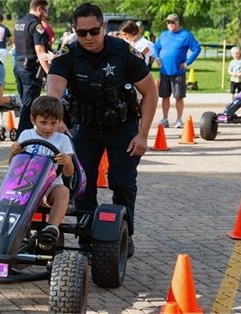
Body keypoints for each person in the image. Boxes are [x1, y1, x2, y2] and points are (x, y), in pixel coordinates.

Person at [46, 2, 158, 258]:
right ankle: (87, 239)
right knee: (82, 184)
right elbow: (53, 88)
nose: (88, 38)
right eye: (81, 32)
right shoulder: (68, 53)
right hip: (84, 127)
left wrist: (143, 135)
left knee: (123, 183)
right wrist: (58, 116)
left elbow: (150, 93)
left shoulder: (124, 52)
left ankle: (122, 234)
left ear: (104, 27)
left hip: (122, 127)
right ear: (74, 30)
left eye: (93, 31)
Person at [9, 96, 74, 250]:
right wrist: (13, 152)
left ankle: (50, 229)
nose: (48, 128)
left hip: (51, 185)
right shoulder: (26, 135)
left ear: (59, 121)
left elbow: (69, 173)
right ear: (33, 120)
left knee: (64, 192)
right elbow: (13, 167)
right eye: (43, 123)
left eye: (53, 123)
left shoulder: (62, 140)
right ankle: (15, 232)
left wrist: (67, 161)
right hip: (26, 185)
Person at [153, 13, 201, 128]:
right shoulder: (163, 35)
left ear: (178, 22)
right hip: (164, 71)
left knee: (179, 97)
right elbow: (156, 47)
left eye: (172, 22)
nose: (170, 25)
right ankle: (165, 118)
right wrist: (157, 58)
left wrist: (187, 62)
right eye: (168, 22)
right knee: (164, 96)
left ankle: (179, 119)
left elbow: (197, 48)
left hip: (178, 72)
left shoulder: (185, 35)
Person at [13, 0, 51, 139]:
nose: (47, 13)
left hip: (19, 67)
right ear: (40, 9)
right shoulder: (36, 26)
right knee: (29, 107)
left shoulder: (20, 23)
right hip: (31, 70)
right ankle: (22, 139)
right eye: (46, 10)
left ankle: (25, 136)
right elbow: (40, 53)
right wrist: (49, 73)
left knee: (25, 104)